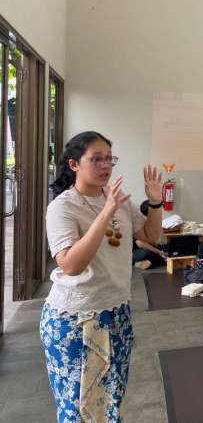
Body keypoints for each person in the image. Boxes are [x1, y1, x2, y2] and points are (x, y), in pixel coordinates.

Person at [40, 131, 163, 422]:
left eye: (109, 159)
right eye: (96, 159)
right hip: (74, 319)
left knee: (110, 401)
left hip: (116, 312)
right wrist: (104, 215)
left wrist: (155, 203)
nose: (105, 166)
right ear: (74, 165)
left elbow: (149, 235)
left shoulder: (115, 198)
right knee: (78, 407)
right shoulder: (62, 207)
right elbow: (70, 264)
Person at [132, 200, 168, 269]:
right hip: (136, 252)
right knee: (148, 253)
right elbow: (140, 244)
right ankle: (136, 263)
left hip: (146, 247)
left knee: (167, 248)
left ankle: (151, 262)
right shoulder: (137, 222)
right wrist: (158, 252)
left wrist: (152, 243)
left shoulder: (149, 221)